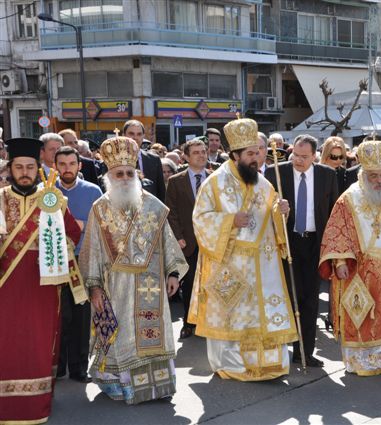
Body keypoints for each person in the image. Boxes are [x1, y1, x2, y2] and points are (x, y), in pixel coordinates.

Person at [79, 135, 188, 404]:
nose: (125, 178)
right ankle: (120, 383)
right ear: (109, 176)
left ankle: (158, 386)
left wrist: (173, 274)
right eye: (119, 173)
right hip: (115, 287)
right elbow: (91, 250)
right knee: (122, 333)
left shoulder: (154, 205)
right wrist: (93, 286)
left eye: (129, 173)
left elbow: (168, 244)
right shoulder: (100, 208)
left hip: (151, 284)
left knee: (153, 335)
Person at [189, 118, 298, 380]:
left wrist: (281, 212)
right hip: (229, 264)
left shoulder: (264, 184)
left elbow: (272, 217)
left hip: (263, 265)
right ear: (234, 155)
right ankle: (232, 364)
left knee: (261, 315)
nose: (256, 158)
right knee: (232, 315)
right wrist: (229, 221)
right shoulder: (214, 183)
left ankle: (265, 364)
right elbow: (200, 220)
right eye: (249, 154)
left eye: (257, 152)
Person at [318, 139, 381, 375]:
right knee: (364, 315)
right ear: (363, 175)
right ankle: (365, 361)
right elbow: (338, 231)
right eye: (373, 176)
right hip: (361, 269)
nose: (378, 181)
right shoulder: (349, 199)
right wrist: (341, 261)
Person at [0, 137, 82, 424]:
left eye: (30, 167)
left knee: (37, 343)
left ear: (39, 168)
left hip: (43, 286)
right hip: (5, 289)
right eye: (19, 167)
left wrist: (55, 242)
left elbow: (73, 234)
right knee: (5, 345)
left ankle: (37, 401)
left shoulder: (53, 199)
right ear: (9, 169)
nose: (24, 172)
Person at [265, 134, 339, 367]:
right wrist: (279, 210)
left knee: (310, 299)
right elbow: (264, 210)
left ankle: (304, 352)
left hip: (314, 243)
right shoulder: (276, 173)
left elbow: (333, 212)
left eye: (304, 157)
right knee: (287, 297)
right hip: (287, 242)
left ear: (315, 156)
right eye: (295, 155)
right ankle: (279, 350)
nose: (298, 160)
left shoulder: (327, 175)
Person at [54, 146, 103, 383]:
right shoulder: (47, 192)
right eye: (62, 164)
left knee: (81, 318)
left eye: (71, 164)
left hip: (83, 261)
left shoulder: (93, 191)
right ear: (55, 166)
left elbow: (101, 227)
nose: (67, 169)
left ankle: (79, 368)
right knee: (57, 317)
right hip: (54, 263)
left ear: (79, 166)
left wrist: (81, 224)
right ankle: (57, 366)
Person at [165, 139, 211, 340]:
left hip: (212, 241)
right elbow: (171, 211)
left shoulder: (215, 178)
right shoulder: (176, 181)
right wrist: (179, 237)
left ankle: (210, 323)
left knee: (211, 284)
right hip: (188, 243)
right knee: (191, 283)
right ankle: (189, 323)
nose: (201, 155)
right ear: (186, 156)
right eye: (196, 152)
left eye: (203, 151)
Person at [122, 119, 166, 202]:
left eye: (139, 134)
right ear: (123, 135)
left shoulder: (154, 160)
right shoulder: (113, 159)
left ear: (143, 136)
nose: (135, 137)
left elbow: (161, 192)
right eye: (131, 134)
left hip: (149, 211)